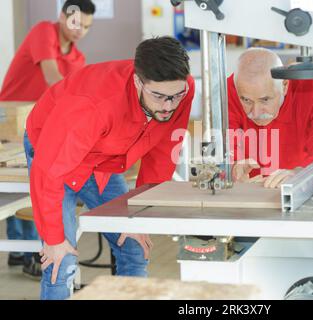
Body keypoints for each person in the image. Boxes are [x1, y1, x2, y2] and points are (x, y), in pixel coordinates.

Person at [26, 36, 194, 300]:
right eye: (160, 97)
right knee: (61, 261)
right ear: (138, 81)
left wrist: (141, 214)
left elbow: (161, 154)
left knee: (135, 246)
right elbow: (48, 172)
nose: (169, 106)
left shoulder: (180, 89)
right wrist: (54, 239)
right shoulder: (91, 107)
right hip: (56, 153)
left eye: (176, 96)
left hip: (105, 157)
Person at [0, 0, 96, 279]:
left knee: (36, 177)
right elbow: (54, 79)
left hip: (38, 121)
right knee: (22, 179)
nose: (80, 30)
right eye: (76, 22)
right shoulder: (45, 31)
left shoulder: (78, 58)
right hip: (10, 116)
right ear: (62, 16)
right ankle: (21, 249)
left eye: (87, 27)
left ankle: (25, 252)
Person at [228, 48, 313, 188]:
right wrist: (232, 168)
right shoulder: (232, 87)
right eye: (246, 100)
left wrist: (302, 175)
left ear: (284, 85)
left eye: (265, 99)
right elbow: (225, 144)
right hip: (253, 187)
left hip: (308, 184)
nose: (255, 112)